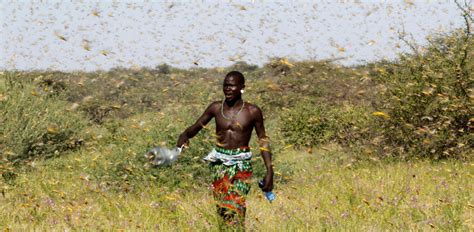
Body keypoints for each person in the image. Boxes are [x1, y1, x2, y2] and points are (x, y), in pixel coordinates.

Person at [176, 71, 274, 228]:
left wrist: (270, 170)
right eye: (225, 85)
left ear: (242, 88)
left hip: (241, 164)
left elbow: (263, 139)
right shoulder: (216, 108)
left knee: (236, 204)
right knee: (222, 209)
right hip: (219, 164)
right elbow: (197, 126)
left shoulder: (252, 111)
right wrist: (185, 135)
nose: (228, 89)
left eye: (232, 85)